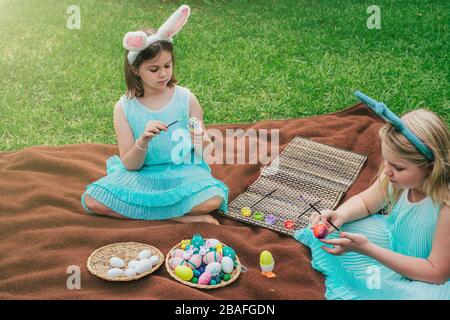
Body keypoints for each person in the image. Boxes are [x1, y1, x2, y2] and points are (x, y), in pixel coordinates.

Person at [81, 5, 228, 224]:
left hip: (183, 172)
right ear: (135, 70)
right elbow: (130, 165)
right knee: (94, 200)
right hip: (140, 176)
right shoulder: (123, 108)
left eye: (167, 66)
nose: (163, 74)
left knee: (214, 199)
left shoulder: (187, 99)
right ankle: (180, 218)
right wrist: (143, 141)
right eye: (154, 69)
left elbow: (205, 154)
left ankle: (149, 213)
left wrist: (203, 140)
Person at [295, 93, 449, 299]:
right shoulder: (397, 179)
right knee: (338, 233)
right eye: (387, 161)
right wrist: (340, 215)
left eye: (398, 167)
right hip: (392, 240)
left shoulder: (445, 206)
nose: (387, 171)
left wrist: (368, 250)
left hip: (428, 274)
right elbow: (367, 203)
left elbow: (436, 273)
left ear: (431, 168)